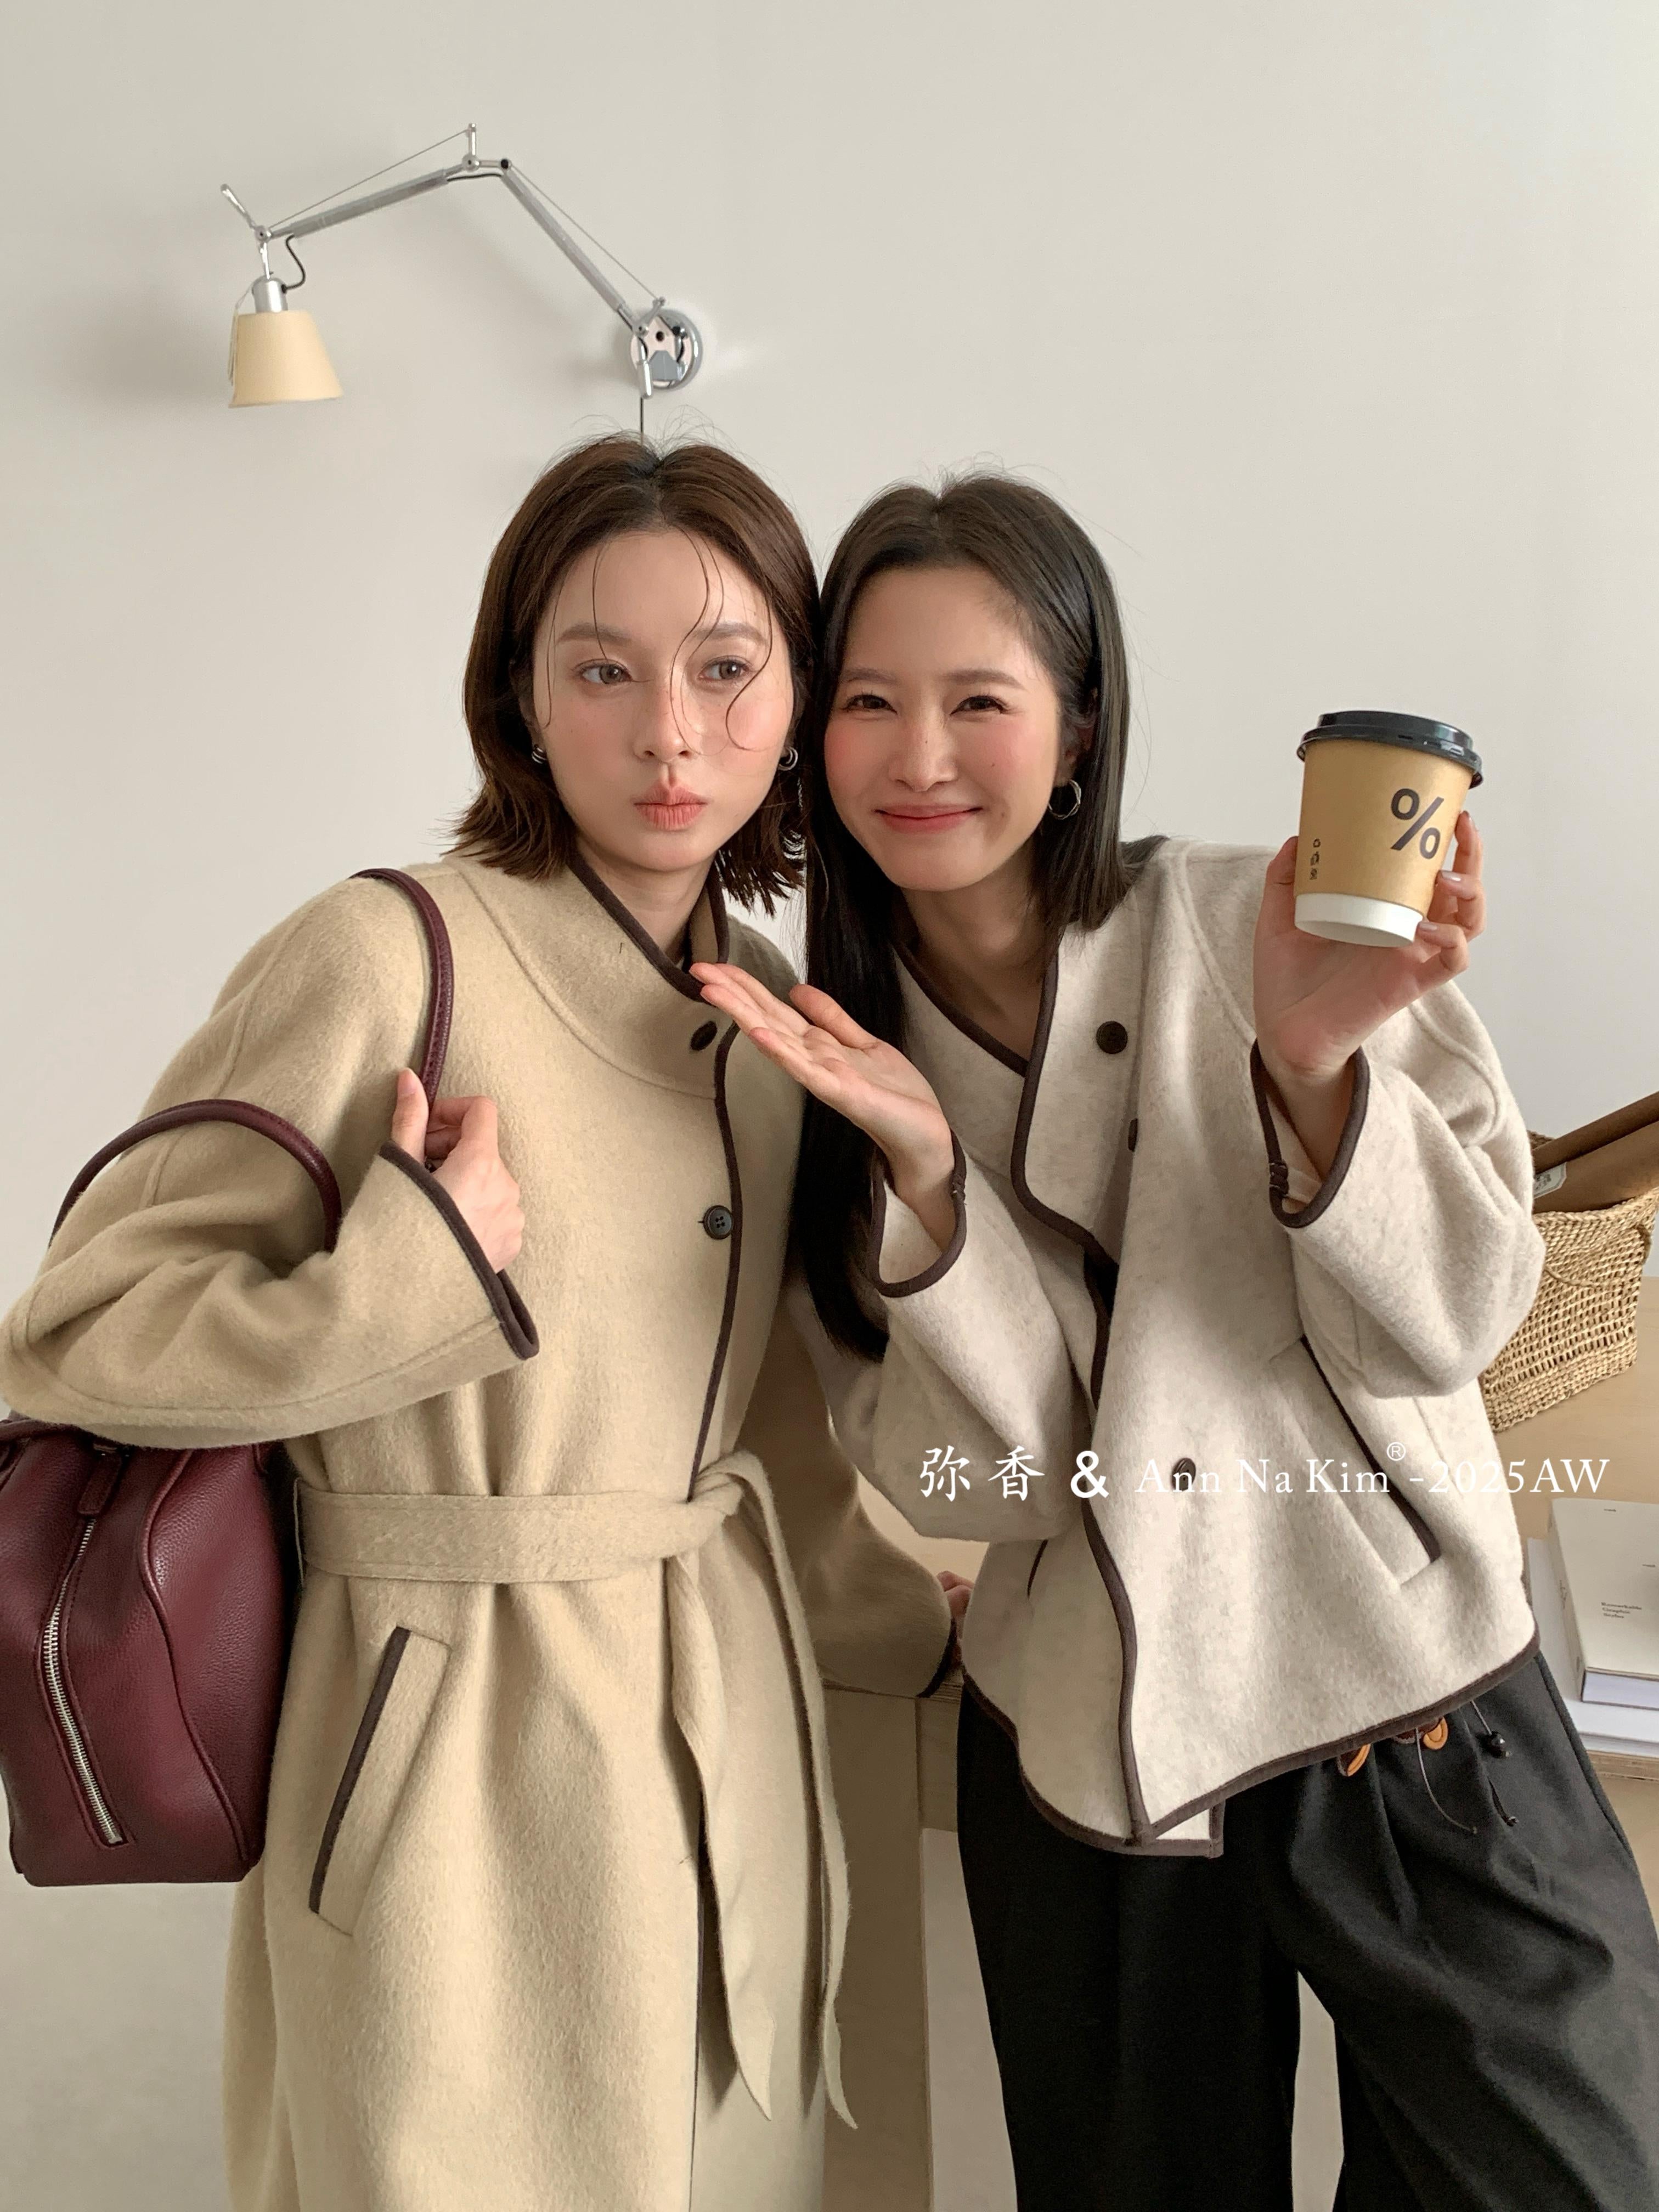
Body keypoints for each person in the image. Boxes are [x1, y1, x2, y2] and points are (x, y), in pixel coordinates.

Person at [0, 435, 957, 2212]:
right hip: (443, 1785)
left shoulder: (767, 1020)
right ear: (519, 696)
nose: (669, 736)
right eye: (602, 671)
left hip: (719, 1762)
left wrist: (920, 1629)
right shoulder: (386, 954)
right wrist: (417, 1286)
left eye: (726, 669)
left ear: (797, 704)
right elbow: (78, 1335)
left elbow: (760, 1426)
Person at [690, 472, 1659, 2210]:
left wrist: (1314, 1075)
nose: (922, 756)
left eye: (980, 700)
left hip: (1411, 1704)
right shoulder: (825, 1065)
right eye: (871, 702)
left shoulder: (1264, 920)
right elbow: (974, 1485)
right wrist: (931, 1185)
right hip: (1091, 1749)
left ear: (1077, 733)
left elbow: (1462, 1321)